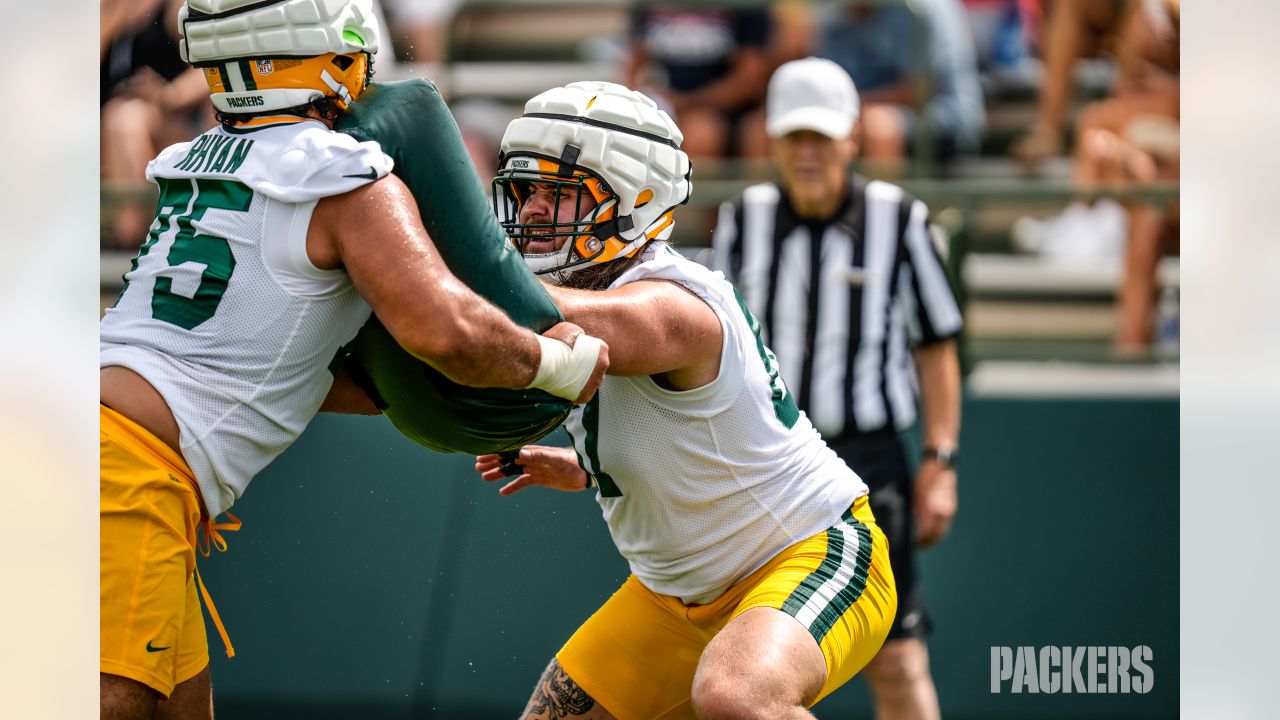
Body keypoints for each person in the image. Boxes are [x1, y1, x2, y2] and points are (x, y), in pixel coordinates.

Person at [99, 2, 607, 719]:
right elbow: (449, 329)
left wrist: (393, 388)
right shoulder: (342, 176)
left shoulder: (194, 164)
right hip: (131, 483)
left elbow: (263, 356)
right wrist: (553, 365)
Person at [475, 80, 897, 719]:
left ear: (632, 202)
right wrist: (589, 466)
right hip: (674, 596)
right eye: (526, 190)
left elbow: (567, 321)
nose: (531, 211)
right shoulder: (598, 291)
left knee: (736, 698)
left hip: (810, 551)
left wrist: (426, 274)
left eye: (557, 192)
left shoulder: (678, 304)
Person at [711, 58, 964, 720]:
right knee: (736, 662)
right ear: (772, 140)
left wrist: (939, 462)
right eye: (795, 138)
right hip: (767, 463)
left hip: (870, 460)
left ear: (853, 138)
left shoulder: (899, 220)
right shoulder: (743, 221)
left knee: (899, 657)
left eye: (821, 138)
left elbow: (937, 347)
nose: (808, 154)